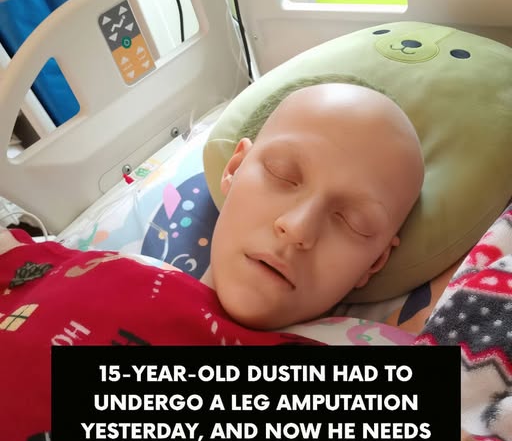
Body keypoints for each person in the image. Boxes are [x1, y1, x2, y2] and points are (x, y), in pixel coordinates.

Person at [0, 77, 424, 333]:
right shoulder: (92, 270)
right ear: (234, 169)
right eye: (282, 174)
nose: (297, 228)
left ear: (375, 262)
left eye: (353, 221)